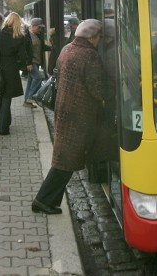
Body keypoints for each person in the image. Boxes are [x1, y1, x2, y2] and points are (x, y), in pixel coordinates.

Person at [32, 19, 105, 214]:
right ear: (92, 37)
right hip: (79, 115)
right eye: (98, 37)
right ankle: (42, 200)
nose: (99, 41)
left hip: (63, 110)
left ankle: (50, 200)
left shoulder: (67, 49)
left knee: (64, 158)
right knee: (65, 162)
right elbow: (97, 89)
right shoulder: (89, 55)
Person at [0, 12, 32, 135]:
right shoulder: (19, 37)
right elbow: (23, 57)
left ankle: (4, 122)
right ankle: (4, 127)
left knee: (0, 95)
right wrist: (22, 66)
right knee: (6, 98)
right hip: (11, 72)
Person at [23, 18, 51, 108]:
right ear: (33, 26)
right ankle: (30, 97)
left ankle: (26, 102)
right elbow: (24, 51)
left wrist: (51, 48)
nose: (40, 29)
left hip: (37, 62)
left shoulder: (38, 35)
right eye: (39, 27)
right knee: (38, 77)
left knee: (31, 81)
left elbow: (41, 47)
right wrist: (28, 63)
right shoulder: (26, 36)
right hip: (31, 62)